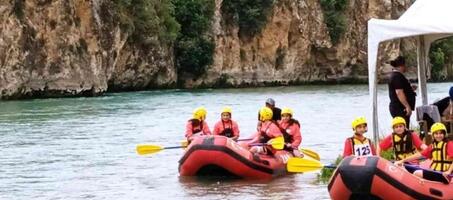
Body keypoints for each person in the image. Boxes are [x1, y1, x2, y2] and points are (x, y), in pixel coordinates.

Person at [388, 56, 417, 129]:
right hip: (399, 108)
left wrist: (410, 89)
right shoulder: (396, 76)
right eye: (405, 65)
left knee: (404, 127)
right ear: (402, 65)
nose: (405, 67)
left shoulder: (398, 76)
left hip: (400, 107)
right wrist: (407, 106)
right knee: (402, 129)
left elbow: (402, 90)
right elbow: (399, 92)